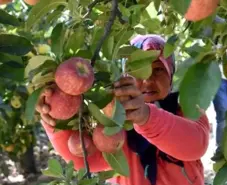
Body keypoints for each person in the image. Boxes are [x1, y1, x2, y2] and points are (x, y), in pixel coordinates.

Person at [35, 34, 210, 185]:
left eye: (158, 70)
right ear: (125, 76)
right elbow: (82, 158)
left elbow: (195, 145)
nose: (148, 80)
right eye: (139, 71)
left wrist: (146, 117)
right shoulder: (113, 120)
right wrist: (54, 116)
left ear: (170, 74)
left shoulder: (188, 107)